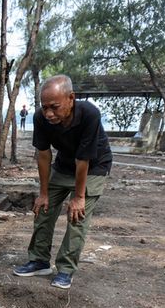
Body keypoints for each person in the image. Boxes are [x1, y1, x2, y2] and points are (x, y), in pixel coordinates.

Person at [14, 75, 112, 289]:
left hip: (94, 166)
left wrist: (78, 197)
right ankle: (39, 260)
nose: (49, 113)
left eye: (55, 107)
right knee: (43, 210)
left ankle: (66, 268)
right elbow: (43, 155)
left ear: (71, 98)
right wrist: (43, 193)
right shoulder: (41, 118)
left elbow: (83, 159)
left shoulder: (89, 114)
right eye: (44, 107)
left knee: (77, 216)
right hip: (64, 163)